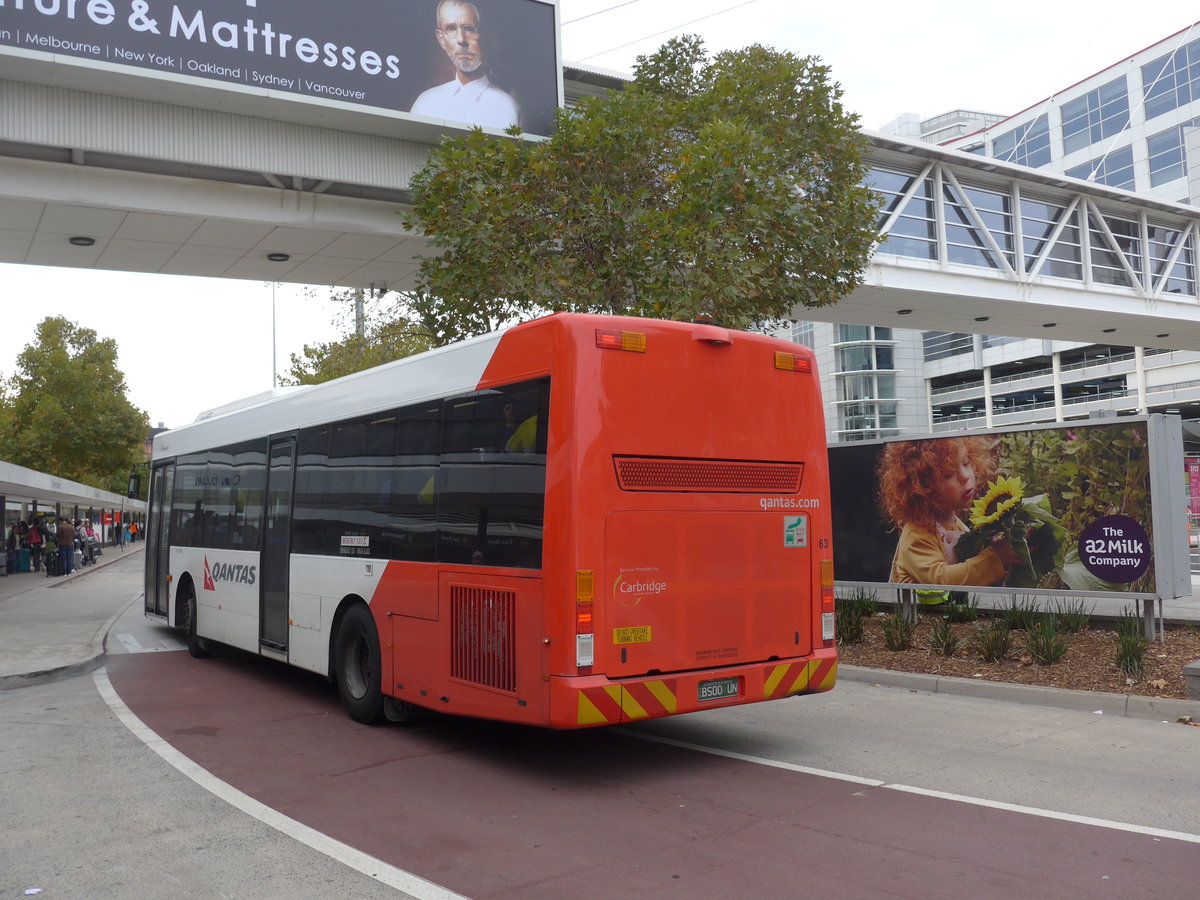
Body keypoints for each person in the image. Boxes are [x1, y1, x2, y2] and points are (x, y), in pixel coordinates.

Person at [877, 437, 1019, 587]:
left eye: (966, 462)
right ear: (922, 487)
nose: (965, 476)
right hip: (913, 611)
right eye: (948, 474)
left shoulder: (959, 527)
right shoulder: (917, 535)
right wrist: (994, 558)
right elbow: (942, 581)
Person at [410, 0, 520, 130]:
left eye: (468, 29)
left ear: (487, 36)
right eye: (451, 28)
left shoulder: (508, 108)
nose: (461, 39)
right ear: (441, 39)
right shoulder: (426, 103)